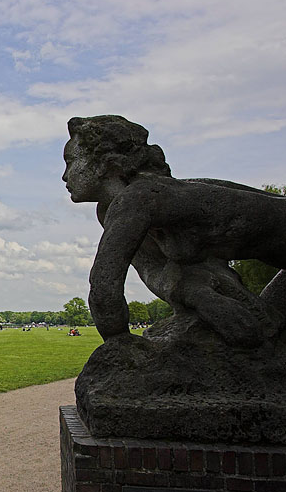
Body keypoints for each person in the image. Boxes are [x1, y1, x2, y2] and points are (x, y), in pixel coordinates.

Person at [63, 115, 286, 347]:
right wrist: (198, 296)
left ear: (104, 163)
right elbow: (153, 270)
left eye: (70, 162)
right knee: (269, 336)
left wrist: (120, 348)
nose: (65, 175)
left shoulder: (142, 198)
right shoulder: (111, 209)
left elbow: (104, 288)